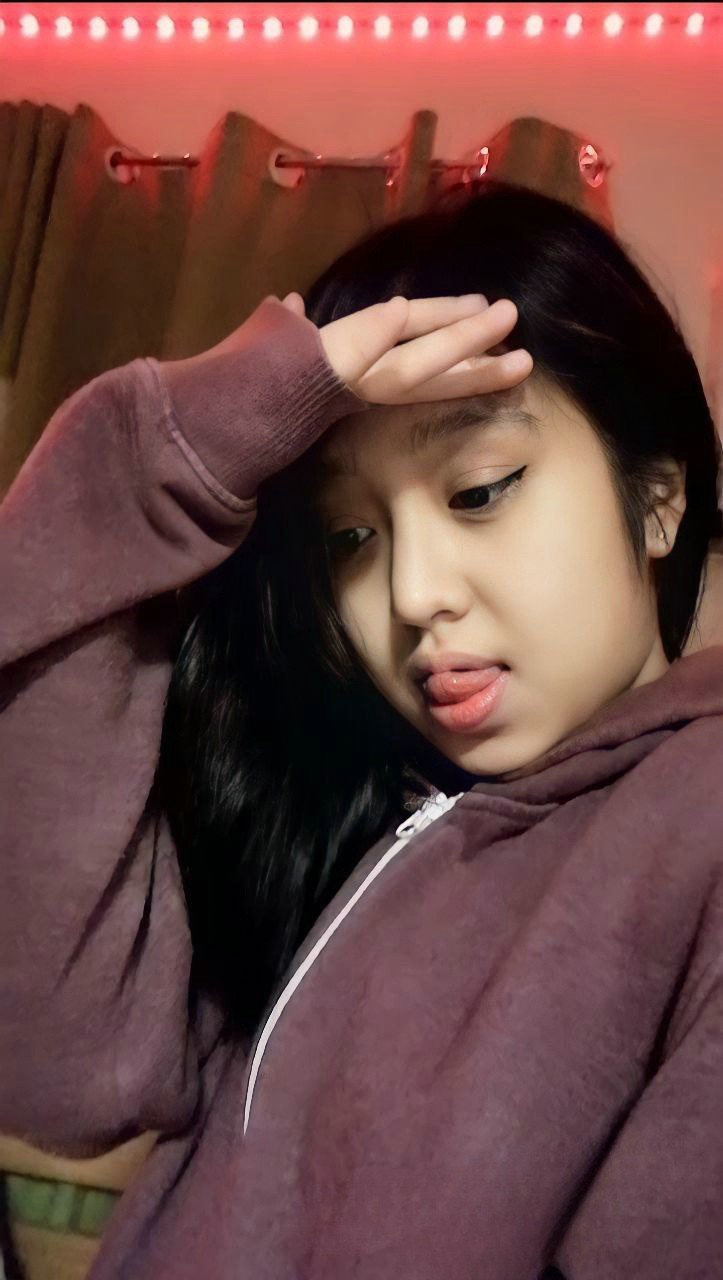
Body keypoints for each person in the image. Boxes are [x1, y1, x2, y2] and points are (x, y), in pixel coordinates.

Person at [1, 180, 722, 1280]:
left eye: (479, 489)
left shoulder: (699, 829)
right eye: (350, 536)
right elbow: (61, 1073)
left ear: (659, 497)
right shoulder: (337, 814)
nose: (412, 593)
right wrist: (162, 456)